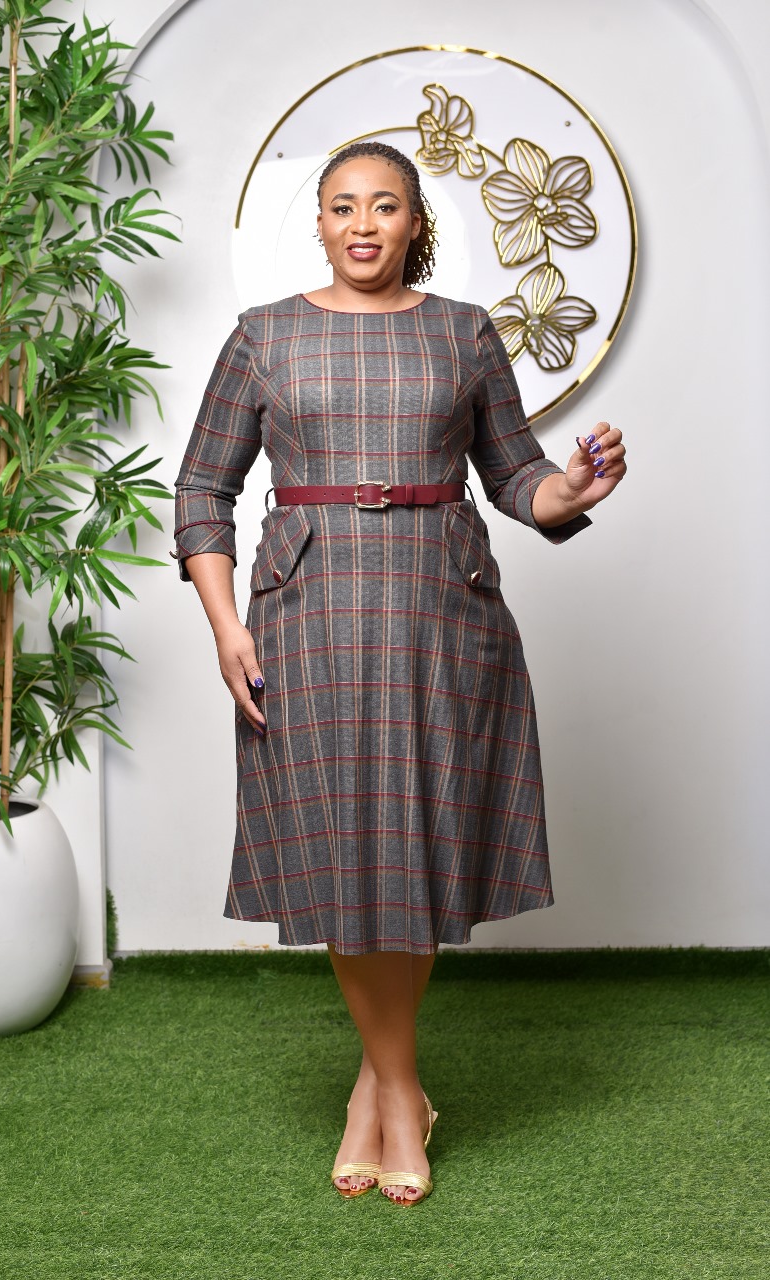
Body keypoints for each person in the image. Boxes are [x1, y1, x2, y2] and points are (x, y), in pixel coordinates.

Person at [173, 142, 627, 1206]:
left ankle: (378, 1091)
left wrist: (571, 488)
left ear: (414, 222)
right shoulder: (263, 335)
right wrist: (224, 626)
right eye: (342, 206)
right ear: (319, 223)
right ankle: (396, 1088)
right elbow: (201, 489)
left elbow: (515, 476)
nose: (362, 224)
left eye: (384, 205)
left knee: (412, 848)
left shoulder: (462, 331)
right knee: (347, 850)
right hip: (307, 617)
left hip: (440, 611)